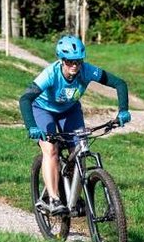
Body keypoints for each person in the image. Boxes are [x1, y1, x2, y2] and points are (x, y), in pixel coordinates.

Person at [19, 34, 131, 215]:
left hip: (70, 111)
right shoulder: (50, 74)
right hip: (42, 109)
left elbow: (119, 83)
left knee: (79, 151)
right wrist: (31, 126)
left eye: (78, 61)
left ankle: (73, 197)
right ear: (62, 60)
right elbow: (25, 98)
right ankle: (54, 199)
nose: (74, 66)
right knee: (51, 150)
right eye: (70, 61)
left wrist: (123, 110)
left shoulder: (87, 71)